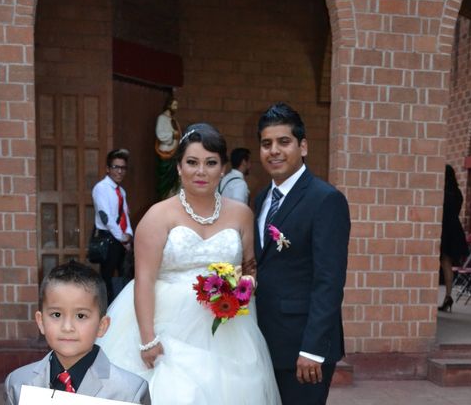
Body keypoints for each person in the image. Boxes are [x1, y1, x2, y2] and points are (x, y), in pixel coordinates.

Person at [96, 123, 281, 405]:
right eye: (192, 162)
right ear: (180, 167)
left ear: (222, 169)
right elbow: (144, 279)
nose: (201, 171)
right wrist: (148, 339)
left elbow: (249, 266)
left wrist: (243, 288)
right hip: (165, 326)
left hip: (226, 330)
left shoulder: (241, 214)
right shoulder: (158, 216)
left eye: (210, 163)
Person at [254, 102, 350, 405]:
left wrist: (312, 349)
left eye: (284, 142)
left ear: (303, 146)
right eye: (266, 143)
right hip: (265, 339)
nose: (274, 151)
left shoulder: (326, 200)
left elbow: (329, 280)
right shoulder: (261, 199)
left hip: (304, 348)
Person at [4, 261, 151, 404]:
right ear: (41, 322)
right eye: (56, 315)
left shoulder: (130, 392)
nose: (67, 327)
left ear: (102, 325)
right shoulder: (18, 383)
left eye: (81, 316)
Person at [92, 148, 133, 304]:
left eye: (123, 168)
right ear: (108, 169)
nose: (120, 171)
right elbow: (106, 218)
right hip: (108, 238)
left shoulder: (121, 191)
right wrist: (122, 237)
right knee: (107, 280)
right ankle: (107, 316)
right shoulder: (101, 188)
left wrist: (129, 235)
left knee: (123, 279)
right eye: (116, 167)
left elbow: (124, 215)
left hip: (120, 240)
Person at [438, 164, 469, 312]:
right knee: (447, 264)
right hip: (454, 230)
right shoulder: (457, 194)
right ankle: (448, 296)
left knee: (438, 263)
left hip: (443, 229)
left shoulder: (441, 193)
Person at [155, 95, 182, 200]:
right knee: (165, 180)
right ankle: (164, 197)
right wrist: (172, 135)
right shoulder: (162, 118)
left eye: (176, 105)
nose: (175, 107)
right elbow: (160, 134)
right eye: (174, 105)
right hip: (165, 152)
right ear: (168, 105)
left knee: (173, 179)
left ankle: (171, 196)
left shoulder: (173, 120)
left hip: (174, 153)